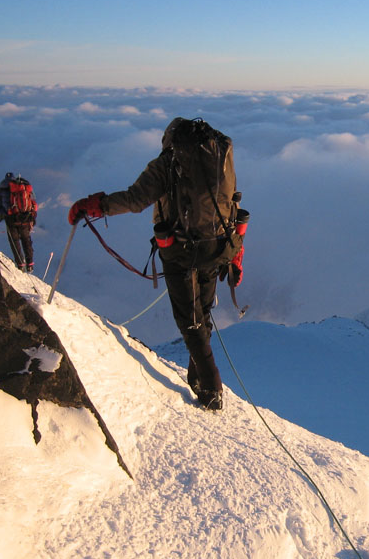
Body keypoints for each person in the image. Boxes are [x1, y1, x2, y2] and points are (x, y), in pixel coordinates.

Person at [67, 118, 247, 411]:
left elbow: (135, 199)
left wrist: (95, 205)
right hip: (218, 248)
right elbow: (231, 205)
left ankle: (211, 390)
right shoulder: (219, 159)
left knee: (189, 320)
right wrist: (236, 254)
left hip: (179, 250)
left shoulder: (167, 163)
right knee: (202, 311)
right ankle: (197, 377)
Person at [0, 172, 37, 272]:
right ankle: (30, 263)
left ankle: (20, 264)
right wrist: (33, 217)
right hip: (26, 218)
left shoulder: (1, 188)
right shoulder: (24, 186)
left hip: (11, 218)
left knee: (15, 241)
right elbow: (33, 202)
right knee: (26, 240)